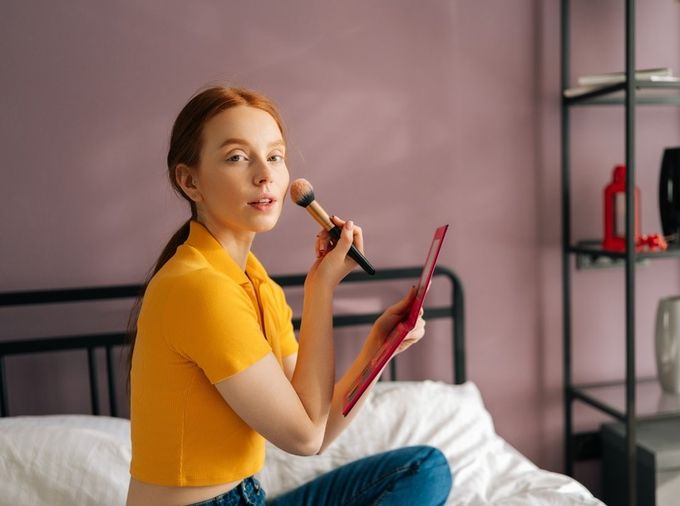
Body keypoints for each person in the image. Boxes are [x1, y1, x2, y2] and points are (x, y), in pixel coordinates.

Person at [125, 86, 452, 506]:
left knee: (423, 468)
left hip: (246, 496)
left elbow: (317, 426)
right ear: (190, 182)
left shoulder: (255, 282)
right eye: (237, 157)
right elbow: (303, 437)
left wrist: (380, 346)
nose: (265, 175)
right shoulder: (197, 287)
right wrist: (321, 289)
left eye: (275, 156)